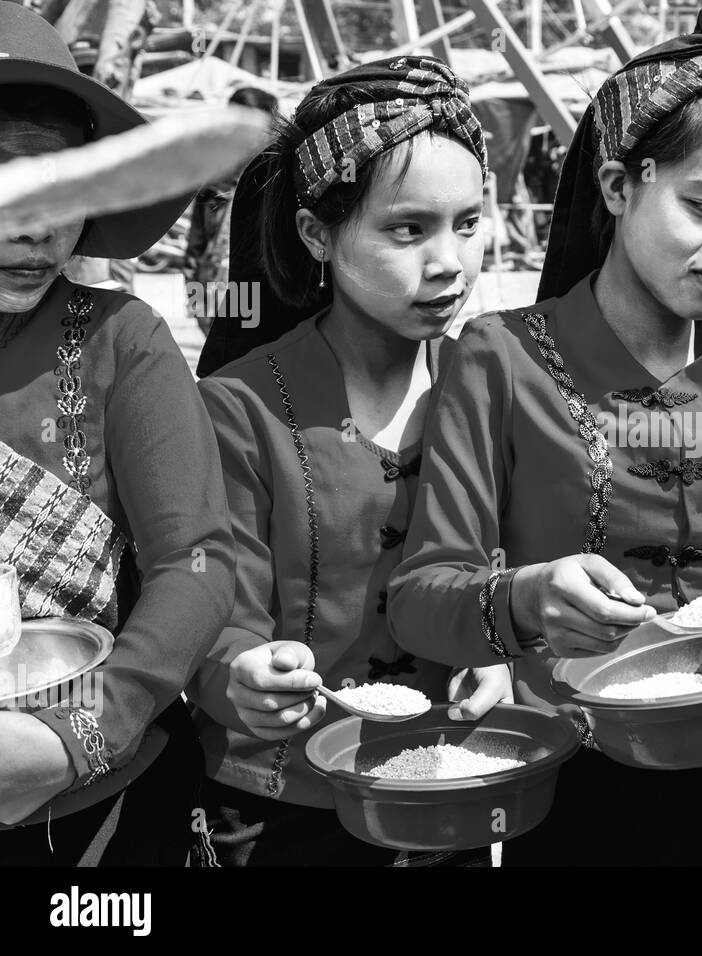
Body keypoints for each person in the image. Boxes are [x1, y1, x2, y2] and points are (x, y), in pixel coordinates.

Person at [387, 0, 702, 867]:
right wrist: (526, 595)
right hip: (571, 776)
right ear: (621, 185)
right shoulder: (500, 359)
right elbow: (420, 597)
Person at [188, 56, 509, 867]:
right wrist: (241, 674)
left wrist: (508, 659)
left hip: (450, 775)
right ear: (316, 234)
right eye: (408, 229)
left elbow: (526, 560)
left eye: (468, 223)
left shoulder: (496, 382)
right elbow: (211, 595)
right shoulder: (242, 407)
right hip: (282, 797)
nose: (449, 263)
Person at [0, 3, 235, 865]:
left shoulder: (121, 339)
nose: (37, 226)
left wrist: (83, 733)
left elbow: (199, 562)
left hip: (99, 803)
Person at [184, 85, 279, 335]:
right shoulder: (213, 181)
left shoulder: (281, 183)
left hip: (264, 301)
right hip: (214, 300)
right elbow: (196, 245)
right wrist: (196, 304)